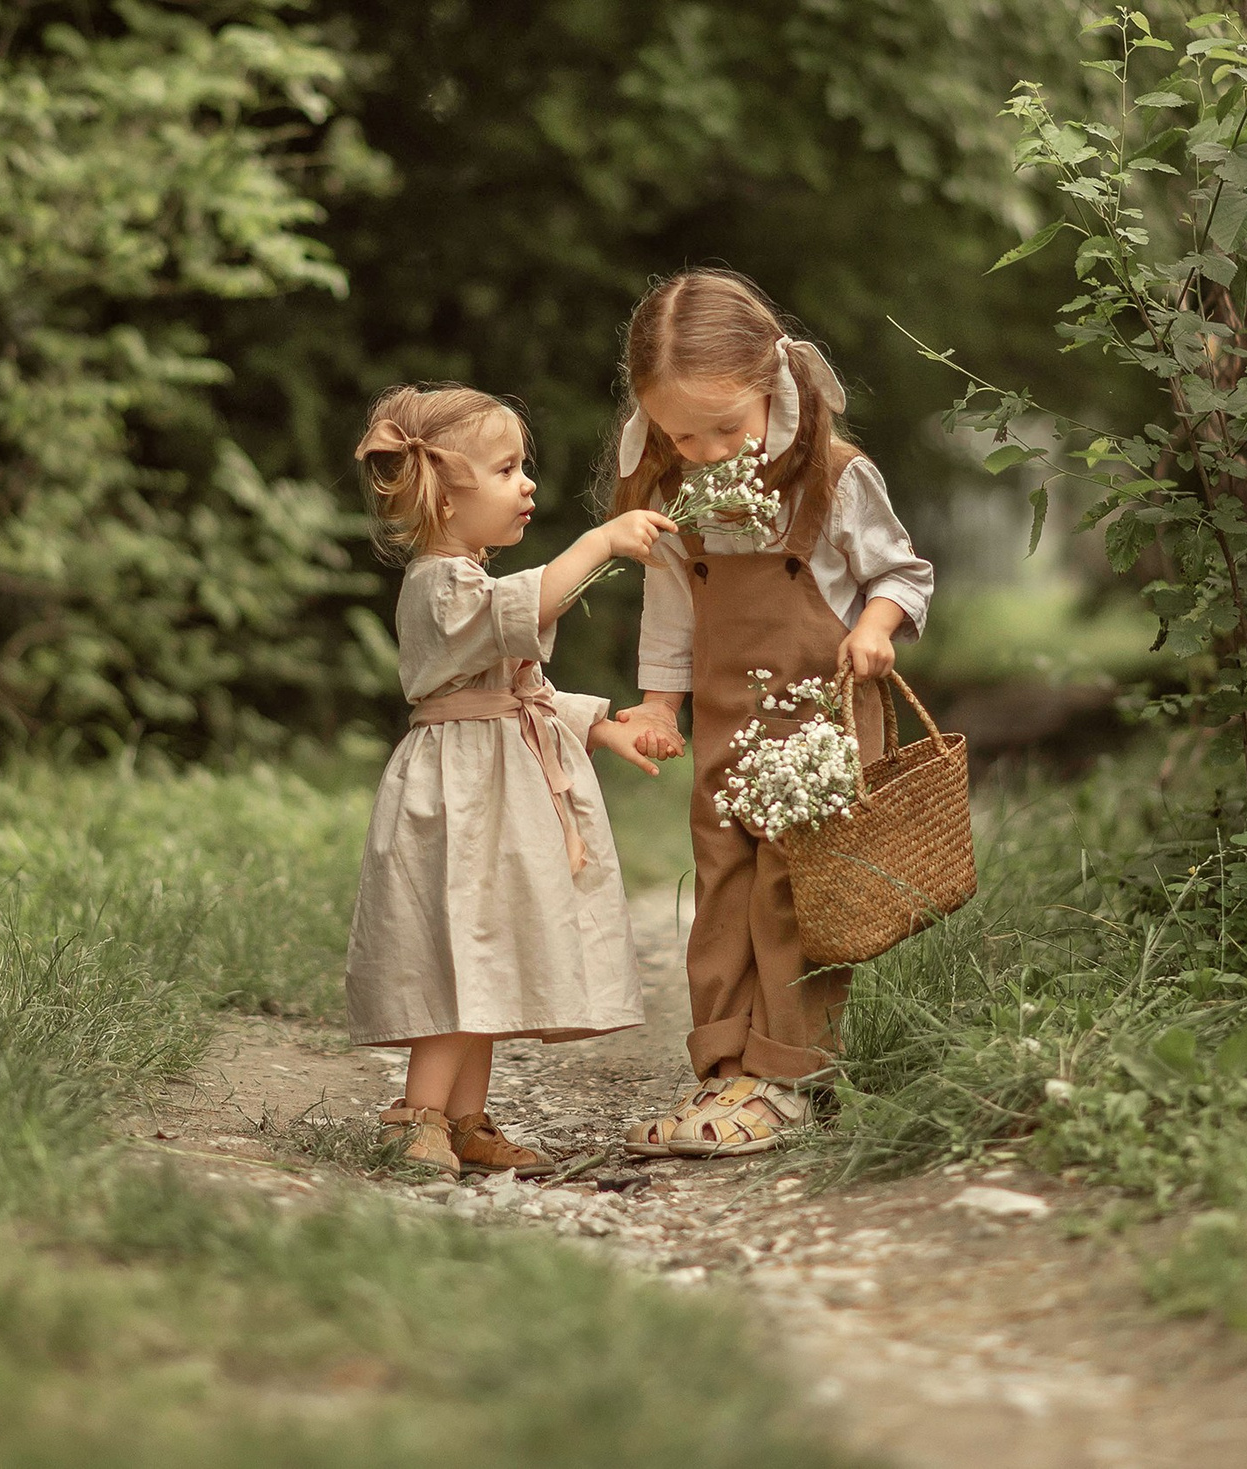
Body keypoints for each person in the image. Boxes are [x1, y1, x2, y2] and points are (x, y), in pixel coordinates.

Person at [604, 270, 935, 1157]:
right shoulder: (677, 492)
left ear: (770, 386)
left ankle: (792, 1072)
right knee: (724, 882)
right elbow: (673, 611)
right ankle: (725, 1064)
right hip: (726, 721)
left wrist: (874, 626)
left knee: (797, 891)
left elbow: (903, 573)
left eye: (727, 429)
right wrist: (659, 702)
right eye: (683, 433)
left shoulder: (832, 478)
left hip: (818, 720)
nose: (708, 451)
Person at [346, 384, 677, 1179]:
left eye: (522, 467)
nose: (527, 483)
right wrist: (599, 542)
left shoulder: (470, 582)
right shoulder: (440, 582)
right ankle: (414, 1114)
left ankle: (465, 1120)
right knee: (461, 948)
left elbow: (521, 689)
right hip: (457, 799)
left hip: (493, 793)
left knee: (484, 946)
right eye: (505, 469)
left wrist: (600, 726)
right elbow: (520, 609)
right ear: (446, 491)